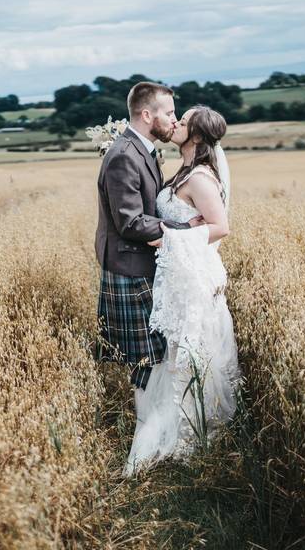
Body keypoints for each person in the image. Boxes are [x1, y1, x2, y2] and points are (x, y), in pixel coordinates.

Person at [124, 105, 241, 476]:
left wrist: (174, 238)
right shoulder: (184, 170)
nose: (175, 123)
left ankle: (192, 432)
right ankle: (176, 422)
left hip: (193, 275)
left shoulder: (202, 178)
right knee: (175, 350)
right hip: (177, 273)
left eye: (184, 121)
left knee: (192, 349)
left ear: (197, 136)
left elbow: (220, 227)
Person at [94, 82, 202, 392]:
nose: (174, 119)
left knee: (154, 356)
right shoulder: (124, 156)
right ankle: (146, 427)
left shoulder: (143, 150)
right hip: (130, 266)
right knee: (146, 362)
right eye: (169, 113)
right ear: (146, 115)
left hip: (140, 262)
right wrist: (186, 229)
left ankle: (151, 422)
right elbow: (130, 222)